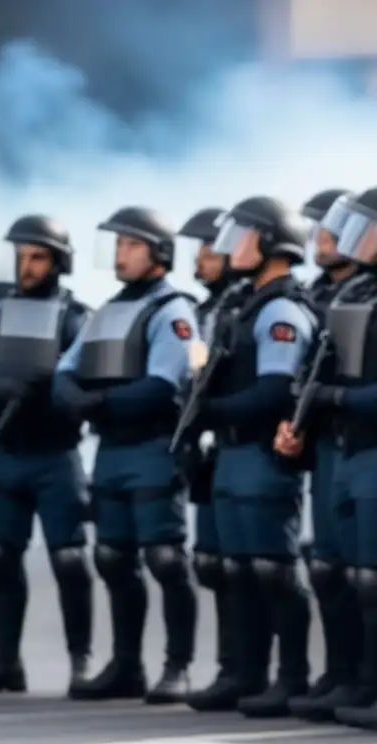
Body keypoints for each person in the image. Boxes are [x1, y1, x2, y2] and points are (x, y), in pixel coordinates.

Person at [54, 206, 199, 704]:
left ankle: (177, 666)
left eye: (131, 245)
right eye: (117, 244)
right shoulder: (106, 312)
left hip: (153, 448)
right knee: (113, 558)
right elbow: (65, 371)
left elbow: (162, 385)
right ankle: (126, 664)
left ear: (158, 252)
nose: (121, 254)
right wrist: (74, 396)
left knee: (164, 558)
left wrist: (95, 402)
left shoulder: (173, 312)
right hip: (112, 451)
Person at [0, 214, 93, 694]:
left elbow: (88, 377)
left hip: (56, 455)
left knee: (69, 559)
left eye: (38, 257)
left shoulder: (77, 319)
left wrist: (57, 389)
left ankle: (81, 662)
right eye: (21, 256)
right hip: (8, 453)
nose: (27, 267)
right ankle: (4, 659)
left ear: (58, 262)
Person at [198, 196, 315, 718]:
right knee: (238, 570)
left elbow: (275, 390)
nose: (230, 248)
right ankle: (244, 673)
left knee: (272, 571)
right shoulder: (244, 304)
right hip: (231, 452)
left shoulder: (281, 310)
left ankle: (290, 677)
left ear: (270, 243)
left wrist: (210, 410)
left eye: (243, 236)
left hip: (262, 455)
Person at [276, 185, 377, 730]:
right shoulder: (354, 291)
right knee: (339, 572)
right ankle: (352, 678)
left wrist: (331, 399)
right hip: (343, 448)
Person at [177, 206, 248, 712]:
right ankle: (231, 667)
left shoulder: (247, 311)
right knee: (214, 565)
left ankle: (257, 670)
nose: (201, 260)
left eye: (211, 249)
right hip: (211, 452)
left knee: (256, 568)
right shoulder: (207, 312)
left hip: (243, 447)